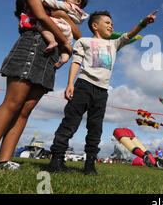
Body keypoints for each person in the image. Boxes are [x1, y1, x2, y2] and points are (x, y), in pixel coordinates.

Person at [0, 0, 76, 170]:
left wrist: (63, 31)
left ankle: (4, 159)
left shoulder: (57, 8)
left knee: (25, 110)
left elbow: (77, 32)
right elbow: (42, 17)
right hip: (32, 44)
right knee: (13, 102)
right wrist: (63, 40)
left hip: (49, 55)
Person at [48, 9, 157, 175]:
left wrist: (143, 23)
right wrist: (70, 84)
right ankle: (56, 160)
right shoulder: (83, 41)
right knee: (70, 122)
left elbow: (129, 34)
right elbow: (76, 62)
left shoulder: (114, 44)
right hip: (83, 86)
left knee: (95, 128)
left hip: (102, 91)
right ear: (95, 26)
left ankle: (90, 164)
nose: (111, 26)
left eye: (112, 24)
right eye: (107, 23)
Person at [38, 0, 89, 68]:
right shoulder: (79, 13)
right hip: (68, 33)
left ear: (78, 1)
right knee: (64, 48)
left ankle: (52, 41)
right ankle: (64, 58)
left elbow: (54, 3)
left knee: (42, 27)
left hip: (59, 25)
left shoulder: (69, 6)